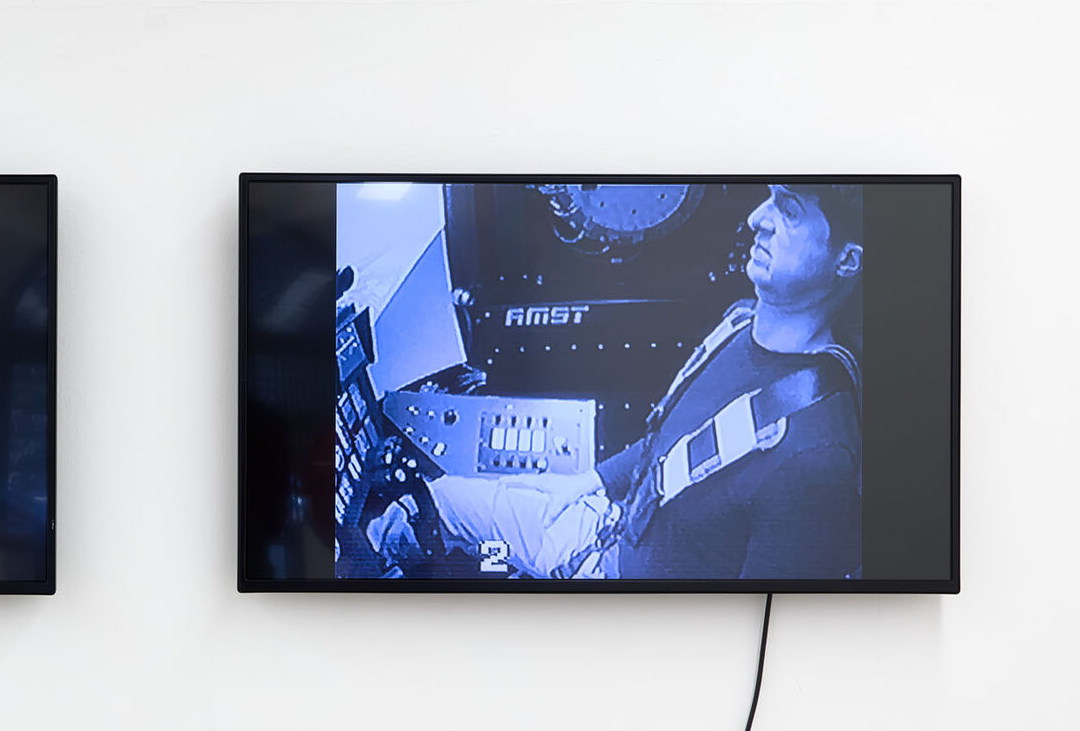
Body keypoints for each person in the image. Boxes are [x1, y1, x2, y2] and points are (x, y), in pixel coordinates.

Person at [370, 183, 864, 581]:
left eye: (789, 212)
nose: (758, 218)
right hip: (608, 523)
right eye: (769, 198)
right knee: (436, 501)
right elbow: (666, 445)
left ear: (846, 261)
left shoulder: (817, 457)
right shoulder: (738, 323)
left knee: (457, 537)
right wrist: (587, 482)